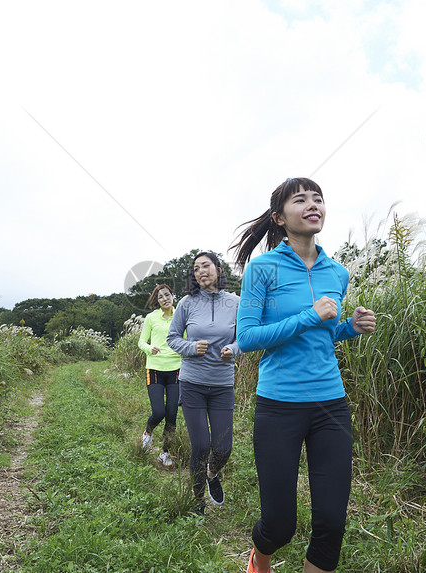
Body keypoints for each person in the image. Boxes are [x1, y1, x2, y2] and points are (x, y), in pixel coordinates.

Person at [232, 177, 377, 573]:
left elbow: (326, 335)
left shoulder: (338, 273)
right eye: (301, 200)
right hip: (278, 406)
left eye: (318, 199)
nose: (313, 204)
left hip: (330, 404)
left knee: (331, 522)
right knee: (279, 525)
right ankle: (259, 558)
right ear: (280, 218)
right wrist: (309, 314)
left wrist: (350, 326)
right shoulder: (262, 269)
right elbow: (246, 338)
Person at [166, 251, 241, 515]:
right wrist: (190, 347)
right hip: (192, 383)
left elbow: (245, 337)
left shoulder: (235, 302)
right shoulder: (186, 303)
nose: (201, 272)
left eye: (206, 266)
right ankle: (197, 502)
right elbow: (172, 338)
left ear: (219, 269)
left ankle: (211, 474)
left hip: (222, 385)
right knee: (200, 445)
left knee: (223, 447)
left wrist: (234, 348)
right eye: (196, 269)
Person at [137, 284, 182, 467]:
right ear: (157, 300)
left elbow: (186, 338)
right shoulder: (151, 318)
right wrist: (149, 348)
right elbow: (141, 342)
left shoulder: (180, 314)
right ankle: (148, 432)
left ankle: (165, 453)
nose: (165, 298)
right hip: (154, 368)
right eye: (161, 297)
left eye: (167, 295)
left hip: (176, 369)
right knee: (159, 412)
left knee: (172, 415)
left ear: (173, 295)